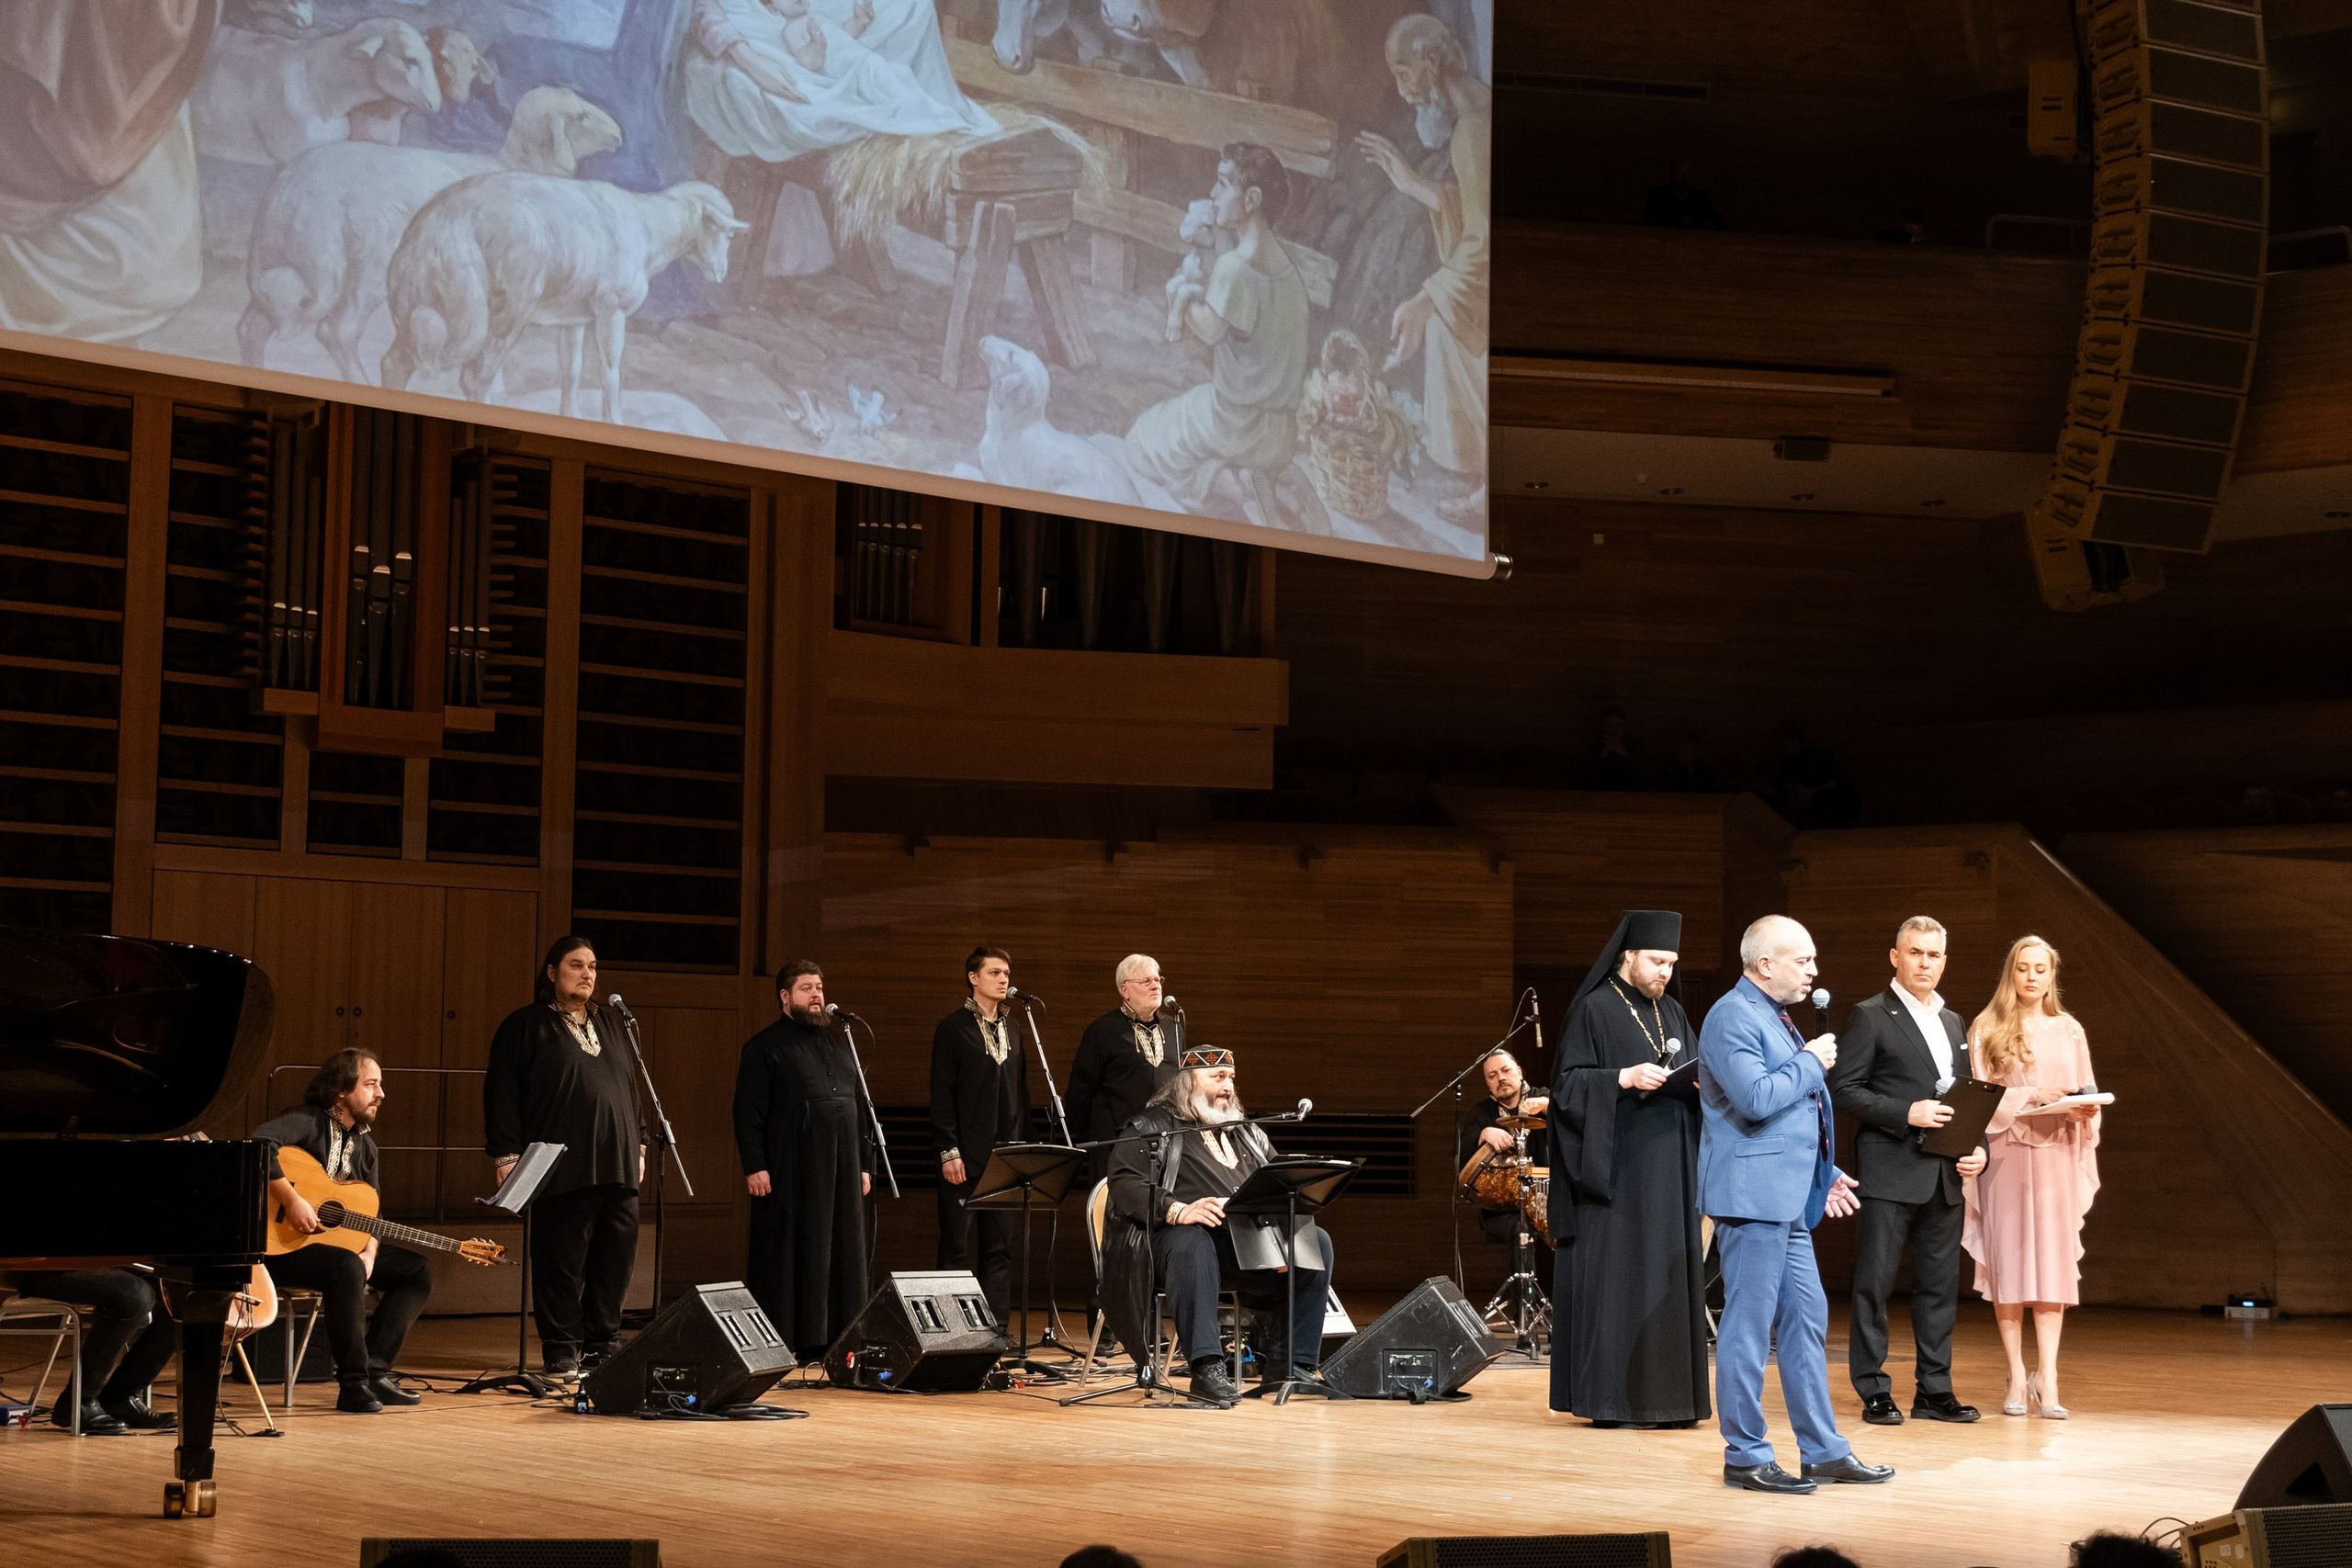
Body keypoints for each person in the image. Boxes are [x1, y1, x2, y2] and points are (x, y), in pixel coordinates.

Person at [1698, 915, 1891, 1494]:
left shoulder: (1772, 1015)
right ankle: (1745, 1455)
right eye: (1802, 960)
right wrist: (1811, 1061)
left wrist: (1823, 1172)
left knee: (1807, 1320)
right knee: (1748, 1329)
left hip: (1786, 1198)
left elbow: (1793, 1115)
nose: (1813, 971)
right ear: (1765, 964)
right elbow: (1756, 1099)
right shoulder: (1732, 1015)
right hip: (1752, 1198)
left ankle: (1823, 1450)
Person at [1548, 909, 1708, 1428]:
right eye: (1657, 961)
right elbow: (1566, 1088)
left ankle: (1671, 1402)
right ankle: (1610, 1402)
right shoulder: (1593, 1009)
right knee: (1619, 1283)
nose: (1666, 972)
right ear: (1629, 955)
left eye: (1672, 963)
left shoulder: (1673, 1012)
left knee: (1664, 1281)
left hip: (1671, 1169)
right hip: (1617, 1173)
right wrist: (1622, 1077)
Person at [1104, 1047, 1335, 1406]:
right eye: (1218, 1077)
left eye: (1231, 1078)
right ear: (1188, 1083)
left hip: (1244, 1247)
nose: (1228, 1087)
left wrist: (1284, 1225)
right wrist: (1177, 1209)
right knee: (1192, 1241)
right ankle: (1206, 1368)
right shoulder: (1152, 1127)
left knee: (1314, 1241)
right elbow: (1124, 1182)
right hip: (1170, 1247)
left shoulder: (1247, 1133)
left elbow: (1277, 1182)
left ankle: (1290, 1363)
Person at [1827, 917, 1987, 1426]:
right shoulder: (1870, 1015)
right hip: (1890, 1170)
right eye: (1915, 953)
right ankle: (1873, 1389)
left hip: (1945, 1173)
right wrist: (1907, 1112)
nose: (1925, 963)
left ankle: (1934, 1391)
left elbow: (1966, 1096)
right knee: (1874, 1285)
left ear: (1944, 961)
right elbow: (1843, 1090)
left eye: (1934, 955)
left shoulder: (1953, 1021)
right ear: (1895, 957)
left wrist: (1978, 1147)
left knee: (1940, 1288)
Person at [1125, 142, 1312, 528]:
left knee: (1141, 442)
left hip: (1236, 424)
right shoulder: (1286, 270)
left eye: (1223, 184)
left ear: (1252, 199)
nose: (1212, 193)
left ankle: (1244, 492)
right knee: (1184, 418)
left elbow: (1209, 331)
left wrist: (1176, 295)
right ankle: (1275, 490)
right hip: (1282, 430)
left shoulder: (1234, 266)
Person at [484, 935, 645, 1380]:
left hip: (617, 1160)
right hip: (559, 1163)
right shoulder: (524, 1025)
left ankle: (602, 1344)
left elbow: (632, 1088)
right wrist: (505, 1154)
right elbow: (501, 1094)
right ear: (552, 972)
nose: (587, 974)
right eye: (576, 965)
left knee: (614, 1259)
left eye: (592, 966)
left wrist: (640, 1143)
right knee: (561, 1259)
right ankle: (561, 1347)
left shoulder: (612, 1024)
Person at [1358, 13, 1491, 527]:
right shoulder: (1479, 108)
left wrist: (1423, 301)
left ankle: (1489, 483)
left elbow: (1485, 239)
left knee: (1441, 327)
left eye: (1403, 72)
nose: (1402, 89)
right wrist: (1414, 185)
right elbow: (1477, 210)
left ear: (1432, 61)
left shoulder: (1472, 131)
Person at [1964, 934, 2102, 1419]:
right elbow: (1978, 1096)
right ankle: (2015, 1373)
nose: (2031, 977)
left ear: (2052, 975)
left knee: (2051, 1263)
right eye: (2023, 967)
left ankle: (2049, 1374)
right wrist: (2033, 1095)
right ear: (2012, 971)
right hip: (2005, 1154)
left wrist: (2083, 1108)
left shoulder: (2070, 1029)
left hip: (2057, 1153)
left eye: (2041, 969)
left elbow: (2085, 1089)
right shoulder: (1988, 1026)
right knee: (2011, 1263)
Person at [254, 1048, 435, 1414]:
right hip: (277, 1246)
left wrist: (370, 1251)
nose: (381, 1094)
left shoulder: (366, 1147)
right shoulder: (307, 1120)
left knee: (417, 1271)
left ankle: (375, 1371)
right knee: (345, 1267)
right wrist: (292, 1200)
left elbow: (374, 1210)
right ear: (341, 1090)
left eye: (380, 1085)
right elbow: (258, 1145)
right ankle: (352, 1385)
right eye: (370, 1085)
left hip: (332, 1249)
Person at [733, 958, 874, 1361]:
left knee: (842, 1251)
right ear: (785, 996)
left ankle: (841, 1339)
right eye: (807, 988)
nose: (817, 995)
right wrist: (754, 1164)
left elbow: (860, 1109)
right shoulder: (764, 1046)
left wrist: (864, 1164)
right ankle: (790, 1339)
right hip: (791, 1171)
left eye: (820, 988)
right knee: (792, 1253)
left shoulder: (840, 1043)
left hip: (843, 1170)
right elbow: (747, 1111)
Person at [930, 945, 1029, 1325]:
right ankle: (952, 1329)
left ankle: (996, 1327)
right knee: (956, 1246)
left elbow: (1021, 1092)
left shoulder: (1015, 1028)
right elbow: (941, 1093)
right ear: (973, 978)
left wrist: (1023, 1149)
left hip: (1006, 1158)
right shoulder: (953, 1029)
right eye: (995, 973)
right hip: (965, 1156)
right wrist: (948, 1150)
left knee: (999, 1248)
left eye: (1006, 973)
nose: (1004, 979)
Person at [0, 1264, 179, 1433]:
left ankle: (121, 1397)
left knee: (179, 1293)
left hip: (92, 1264)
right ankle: (80, 1401)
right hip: (40, 1268)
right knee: (134, 1295)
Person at [1068, 954, 1182, 1178]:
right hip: (1115, 1144)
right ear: (1125, 990)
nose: (1155, 986)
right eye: (1146, 981)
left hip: (1165, 1144)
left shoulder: (1174, 1028)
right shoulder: (1102, 1031)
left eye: (1157, 980)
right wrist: (1094, 1139)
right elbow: (1080, 1093)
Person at [1458, 1048, 1547, 1250]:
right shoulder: (1480, 1114)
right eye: (1493, 1076)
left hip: (1548, 1197)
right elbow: (1461, 1165)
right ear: (1487, 1084)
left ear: (1519, 1072)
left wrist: (1546, 1105)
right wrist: (1483, 1135)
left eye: (1506, 1070)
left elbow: (1571, 1116)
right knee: (1520, 1230)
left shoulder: (1541, 1096)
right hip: (1504, 1209)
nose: (1501, 1078)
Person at [1643, 158, 1726, 231]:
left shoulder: (1700, 197)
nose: (1682, 178)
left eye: (1687, 175)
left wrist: (1702, 224)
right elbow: (1650, 221)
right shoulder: (1657, 195)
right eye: (1679, 174)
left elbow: (1719, 222)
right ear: (1671, 174)